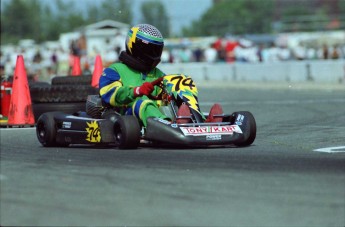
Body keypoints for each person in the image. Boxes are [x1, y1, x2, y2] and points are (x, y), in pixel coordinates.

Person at [99, 24, 222, 127]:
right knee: (143, 102)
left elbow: (163, 96)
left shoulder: (157, 73)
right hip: (127, 115)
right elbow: (109, 94)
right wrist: (136, 91)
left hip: (157, 115)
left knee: (181, 81)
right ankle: (168, 125)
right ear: (135, 47)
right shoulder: (114, 70)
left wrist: (173, 94)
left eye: (156, 50)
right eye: (149, 50)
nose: (153, 54)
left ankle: (199, 121)